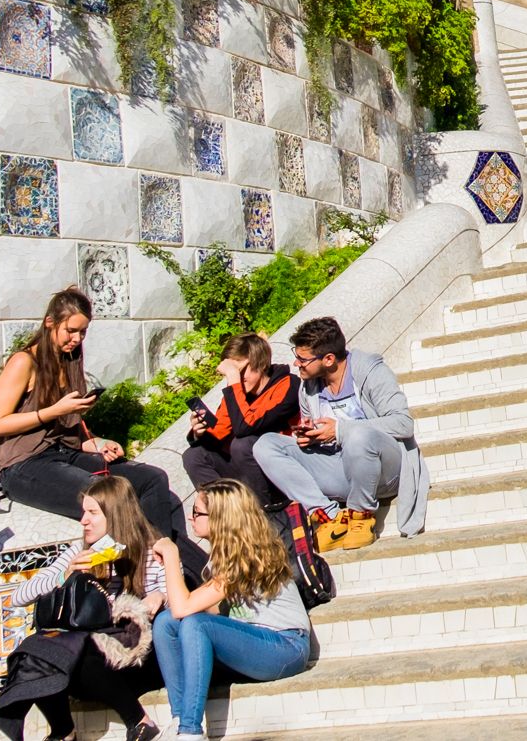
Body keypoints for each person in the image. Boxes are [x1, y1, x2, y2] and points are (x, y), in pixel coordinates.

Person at [0, 289, 180, 536]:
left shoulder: (69, 360)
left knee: (152, 479)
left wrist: (97, 443)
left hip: (64, 453)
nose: (77, 339)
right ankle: (141, 565)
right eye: (71, 330)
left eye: (83, 332)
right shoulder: (24, 362)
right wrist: (54, 411)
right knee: (105, 494)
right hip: (23, 466)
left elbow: (67, 429)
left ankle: (167, 562)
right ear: (50, 323)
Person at [0, 475, 166, 741]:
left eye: (92, 513)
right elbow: (19, 596)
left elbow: (175, 596)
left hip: (134, 657)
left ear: (115, 515)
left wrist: (157, 595)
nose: (83, 520)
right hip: (86, 665)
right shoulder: (79, 550)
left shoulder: (151, 550)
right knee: (36, 649)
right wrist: (67, 575)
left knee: (80, 649)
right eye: (83, 512)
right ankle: (63, 730)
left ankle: (140, 721)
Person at [251, 317, 428, 554]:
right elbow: (319, 431)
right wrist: (310, 437)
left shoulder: (370, 371)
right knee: (265, 444)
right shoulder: (309, 386)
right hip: (340, 469)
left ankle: (361, 515)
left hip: (385, 471)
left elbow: (403, 424)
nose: (296, 364)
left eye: (303, 359)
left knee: (358, 435)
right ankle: (328, 516)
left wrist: (339, 430)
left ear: (328, 359)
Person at [152, 480, 311, 741]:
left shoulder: (246, 556)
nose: (191, 519)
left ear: (220, 519)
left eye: (197, 512)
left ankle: (191, 732)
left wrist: (171, 555)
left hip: (285, 646)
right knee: (166, 622)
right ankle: (180, 716)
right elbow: (195, 610)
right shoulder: (223, 556)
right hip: (254, 641)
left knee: (192, 622)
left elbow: (185, 609)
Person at [183, 334, 299, 507]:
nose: (237, 377)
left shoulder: (288, 385)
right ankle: (226, 515)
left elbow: (245, 427)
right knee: (194, 455)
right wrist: (199, 433)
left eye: (241, 370)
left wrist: (233, 378)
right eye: (232, 372)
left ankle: (267, 515)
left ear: (260, 362)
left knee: (242, 444)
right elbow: (218, 434)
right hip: (247, 474)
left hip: (283, 472)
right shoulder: (237, 394)